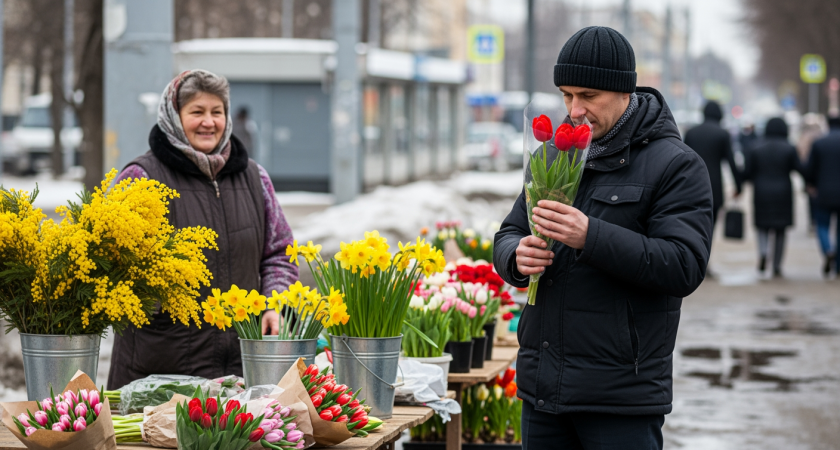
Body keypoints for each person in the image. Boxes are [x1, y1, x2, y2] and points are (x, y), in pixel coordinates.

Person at [493, 26, 713, 450]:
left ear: (624, 90)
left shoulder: (676, 165)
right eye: (566, 95)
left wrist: (589, 236)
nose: (574, 110)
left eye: (588, 96)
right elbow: (510, 231)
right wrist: (516, 257)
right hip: (543, 392)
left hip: (620, 399)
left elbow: (683, 265)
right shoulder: (554, 152)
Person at [107, 70, 299, 389]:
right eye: (197, 112)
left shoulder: (254, 178)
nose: (208, 122)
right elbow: (112, 267)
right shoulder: (140, 179)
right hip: (158, 373)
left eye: (217, 112)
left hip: (240, 370)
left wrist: (273, 302)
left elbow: (280, 253)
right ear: (173, 116)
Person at [741, 118, 802, 277]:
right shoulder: (789, 147)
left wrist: (740, 184)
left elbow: (747, 172)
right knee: (781, 230)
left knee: (762, 226)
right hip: (783, 191)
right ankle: (776, 265)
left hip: (761, 191)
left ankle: (763, 253)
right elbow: (800, 168)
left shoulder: (755, 147)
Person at [684, 101, 743, 225]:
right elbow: (731, 162)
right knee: (710, 227)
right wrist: (738, 187)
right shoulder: (722, 134)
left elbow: (681, 160)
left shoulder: (691, 133)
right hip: (713, 188)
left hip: (691, 186)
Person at [805, 115, 840, 277]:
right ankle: (838, 266)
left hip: (823, 192)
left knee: (822, 226)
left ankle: (828, 250)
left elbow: (810, 168)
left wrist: (811, 185)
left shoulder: (819, 143)